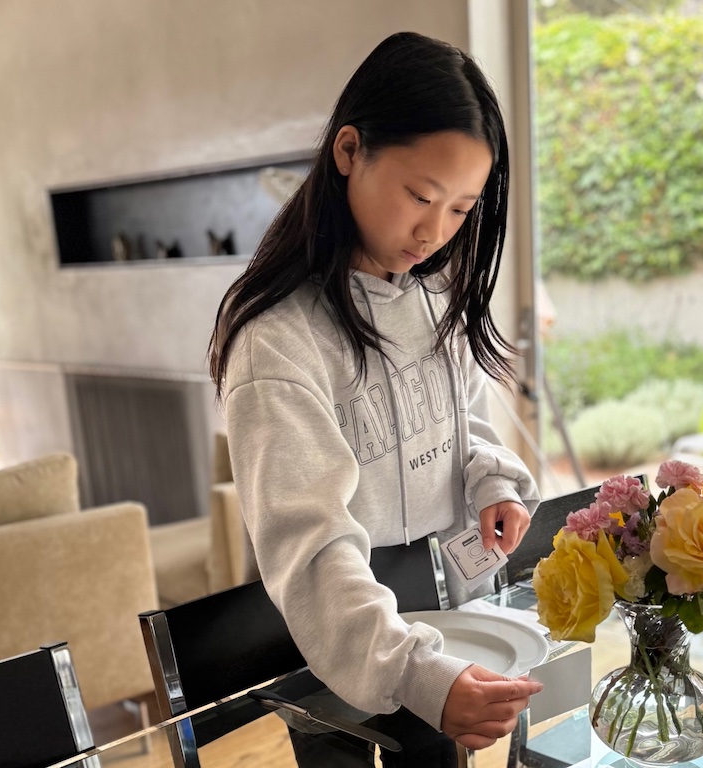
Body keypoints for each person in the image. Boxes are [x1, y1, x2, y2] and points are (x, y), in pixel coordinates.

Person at [207, 31, 543, 764]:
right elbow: (312, 547)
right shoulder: (277, 340)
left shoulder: (435, 294)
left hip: (446, 621)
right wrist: (413, 673)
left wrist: (492, 483)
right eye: (420, 196)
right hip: (343, 648)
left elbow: (466, 424)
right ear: (349, 150)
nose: (434, 232)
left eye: (461, 209)